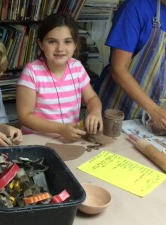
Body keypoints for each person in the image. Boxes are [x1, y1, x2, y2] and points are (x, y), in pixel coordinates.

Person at [16, 13, 103, 143]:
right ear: (41, 44)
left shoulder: (77, 67)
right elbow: (25, 116)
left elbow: (91, 98)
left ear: (75, 44)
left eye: (67, 41)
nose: (60, 48)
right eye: (52, 42)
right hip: (37, 140)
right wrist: (60, 129)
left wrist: (95, 111)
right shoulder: (32, 72)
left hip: (70, 139)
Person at [95, 0, 166, 134]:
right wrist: (154, 110)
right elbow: (118, 70)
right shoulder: (136, 8)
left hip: (163, 122)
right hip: (119, 113)